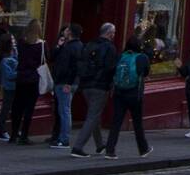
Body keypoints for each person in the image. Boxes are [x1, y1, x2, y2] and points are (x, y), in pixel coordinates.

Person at [70, 22, 118, 156]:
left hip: (86, 85)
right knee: (92, 116)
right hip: (100, 86)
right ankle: (78, 147)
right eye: (113, 33)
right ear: (109, 33)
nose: (114, 35)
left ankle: (100, 144)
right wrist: (111, 84)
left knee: (94, 114)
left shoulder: (89, 44)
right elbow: (110, 68)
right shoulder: (110, 48)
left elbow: (81, 63)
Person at [102, 34, 152, 159]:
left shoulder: (120, 56)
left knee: (116, 122)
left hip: (119, 93)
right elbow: (145, 72)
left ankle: (110, 150)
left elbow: (112, 71)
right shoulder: (142, 57)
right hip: (134, 93)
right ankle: (143, 149)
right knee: (137, 122)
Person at [8, 19, 48, 145]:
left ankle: (14, 134)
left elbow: (18, 56)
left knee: (17, 106)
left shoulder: (21, 42)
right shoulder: (42, 45)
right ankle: (24, 135)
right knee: (29, 108)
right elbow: (46, 59)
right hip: (34, 78)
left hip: (21, 77)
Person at [49, 23, 83, 149]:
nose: (65, 31)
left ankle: (64, 139)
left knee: (64, 111)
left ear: (70, 33)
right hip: (73, 82)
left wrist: (66, 82)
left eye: (67, 30)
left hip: (65, 82)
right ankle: (62, 137)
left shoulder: (69, 47)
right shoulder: (79, 46)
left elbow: (66, 66)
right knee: (65, 110)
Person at [0, 33, 18, 140]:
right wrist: (21, 73)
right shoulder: (5, 59)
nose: (14, 42)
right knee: (6, 108)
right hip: (9, 87)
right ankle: (1, 130)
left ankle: (15, 129)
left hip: (16, 86)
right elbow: (8, 75)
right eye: (12, 40)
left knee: (15, 108)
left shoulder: (15, 52)